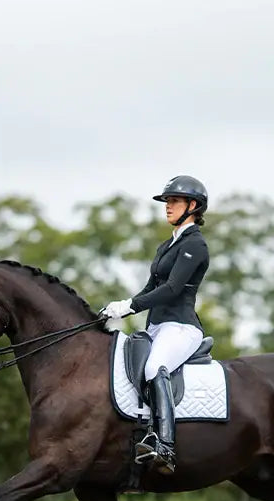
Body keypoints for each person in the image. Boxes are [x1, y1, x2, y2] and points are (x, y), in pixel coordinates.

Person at [102, 175, 210, 474]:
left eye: (174, 201)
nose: (168, 207)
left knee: (153, 368)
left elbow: (173, 288)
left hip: (181, 327)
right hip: (157, 326)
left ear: (193, 206)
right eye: (167, 201)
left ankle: (165, 445)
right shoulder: (167, 245)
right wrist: (118, 310)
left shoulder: (195, 245)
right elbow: (151, 287)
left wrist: (130, 306)